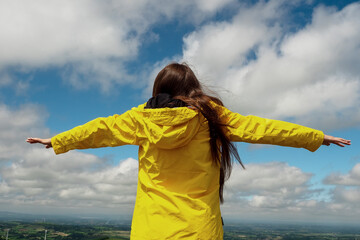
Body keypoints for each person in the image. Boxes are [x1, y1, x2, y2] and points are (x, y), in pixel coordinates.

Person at [27, 62, 351, 239]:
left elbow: (99, 130)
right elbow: (261, 127)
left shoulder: (138, 119)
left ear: (158, 90)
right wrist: (314, 137)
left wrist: (58, 140)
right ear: (191, 88)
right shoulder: (212, 118)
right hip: (200, 231)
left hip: (150, 232)